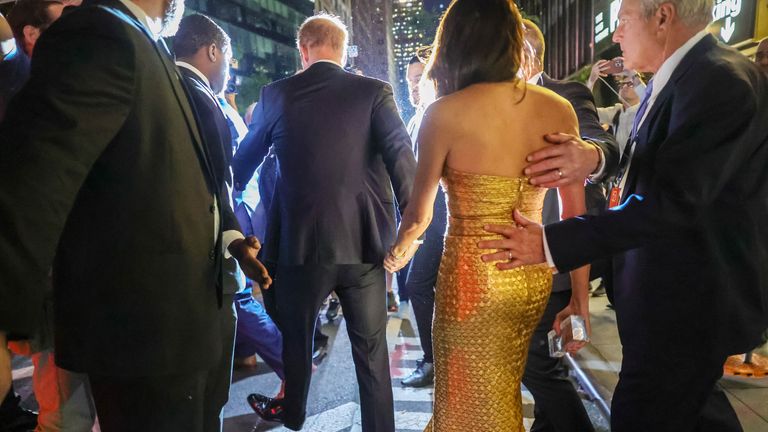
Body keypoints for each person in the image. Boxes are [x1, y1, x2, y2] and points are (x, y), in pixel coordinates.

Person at [483, 0, 768, 430]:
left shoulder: (719, 81)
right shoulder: (683, 78)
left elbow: (672, 202)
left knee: (640, 414)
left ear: (663, 16)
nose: (616, 36)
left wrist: (548, 242)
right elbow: (648, 169)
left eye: (622, 22)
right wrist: (594, 162)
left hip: (688, 302)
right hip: (665, 297)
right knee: (695, 414)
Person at [0, 1, 269, 431]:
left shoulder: (143, 41)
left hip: (178, 326)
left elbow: (196, 182)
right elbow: (33, 180)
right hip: (143, 338)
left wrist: (231, 241)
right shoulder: (99, 32)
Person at [383, 1, 589, 430]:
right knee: (502, 388)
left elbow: (419, 217)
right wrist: (580, 301)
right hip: (532, 279)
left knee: (466, 403)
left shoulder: (442, 114)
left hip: (471, 281)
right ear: (514, 41)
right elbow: (575, 215)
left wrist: (395, 256)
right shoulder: (557, 108)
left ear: (453, 45)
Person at [232, 14, 416, 431]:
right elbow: (404, 164)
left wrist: (235, 222)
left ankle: (293, 413)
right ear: (344, 48)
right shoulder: (374, 92)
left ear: (303, 49)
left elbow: (241, 165)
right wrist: (409, 234)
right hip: (365, 248)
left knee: (295, 343)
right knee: (371, 356)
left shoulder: (276, 95)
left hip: (300, 247)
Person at [519, 19, 620, 432]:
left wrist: (589, 154)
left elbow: (602, 145)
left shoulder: (566, 94)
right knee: (544, 363)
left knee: (538, 365)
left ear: (528, 53)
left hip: (560, 252)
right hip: (521, 257)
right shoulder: (499, 103)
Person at [174, 14, 261, 432]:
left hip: (177, 266)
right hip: (201, 269)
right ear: (212, 51)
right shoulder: (204, 98)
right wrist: (236, 242)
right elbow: (220, 182)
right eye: (228, 57)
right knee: (207, 396)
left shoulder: (165, 88)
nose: (229, 69)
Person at [400, 52, 443, 388]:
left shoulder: (438, 115)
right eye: (410, 80)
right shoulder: (415, 118)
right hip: (425, 215)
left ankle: (433, 360)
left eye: (419, 78)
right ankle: (438, 358)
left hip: (441, 216)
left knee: (417, 284)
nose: (413, 85)